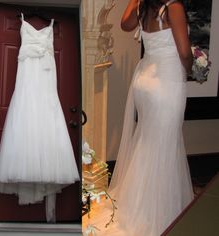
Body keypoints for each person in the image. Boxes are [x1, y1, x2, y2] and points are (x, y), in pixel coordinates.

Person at [87, 0, 194, 235]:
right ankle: (154, 211)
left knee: (148, 143)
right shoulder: (173, 6)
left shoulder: (143, 6)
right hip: (166, 82)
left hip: (144, 83)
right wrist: (191, 68)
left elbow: (125, 24)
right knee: (163, 146)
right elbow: (184, 52)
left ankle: (137, 203)